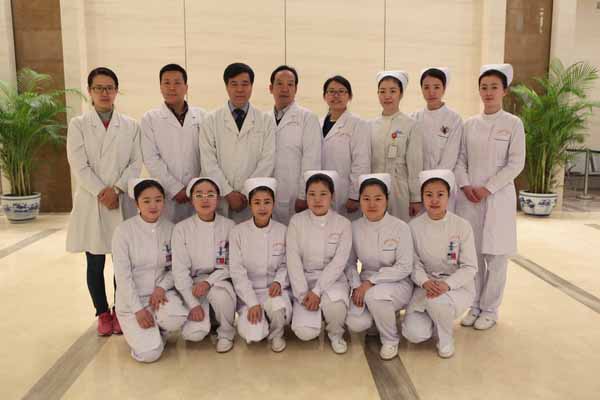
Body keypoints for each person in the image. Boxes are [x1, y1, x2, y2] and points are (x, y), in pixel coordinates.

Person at [66, 67, 142, 336]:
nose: (104, 93)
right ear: (90, 92)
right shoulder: (78, 125)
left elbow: (136, 162)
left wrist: (117, 189)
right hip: (93, 201)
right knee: (95, 262)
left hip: (121, 200)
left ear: (116, 91)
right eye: (98, 88)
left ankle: (121, 310)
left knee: (123, 261)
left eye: (109, 88)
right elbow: (79, 164)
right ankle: (102, 313)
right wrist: (103, 191)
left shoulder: (131, 125)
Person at [455, 64, 525, 330]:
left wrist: (488, 188)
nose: (488, 92)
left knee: (496, 258)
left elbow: (516, 163)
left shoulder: (513, 124)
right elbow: (460, 159)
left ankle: (490, 309)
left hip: (498, 198)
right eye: (484, 87)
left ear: (504, 91)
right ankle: (474, 305)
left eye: (494, 87)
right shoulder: (469, 124)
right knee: (472, 256)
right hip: (470, 199)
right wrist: (465, 186)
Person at [401, 170, 477, 358]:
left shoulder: (461, 226)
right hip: (425, 286)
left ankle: (446, 339)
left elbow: (469, 267)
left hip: (456, 287)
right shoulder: (413, 227)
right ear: (422, 197)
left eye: (440, 194)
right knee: (413, 334)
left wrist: (447, 285)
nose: (434, 200)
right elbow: (413, 263)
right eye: (429, 195)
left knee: (437, 301)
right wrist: (425, 282)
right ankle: (437, 320)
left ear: (448, 197)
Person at [112, 179, 189, 363]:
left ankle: (159, 330)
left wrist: (162, 287)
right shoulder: (123, 232)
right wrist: (138, 310)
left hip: (160, 295)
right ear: (136, 203)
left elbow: (177, 267)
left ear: (164, 201)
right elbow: (122, 277)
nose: (153, 205)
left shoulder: (171, 229)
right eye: (146, 201)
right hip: (132, 301)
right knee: (150, 354)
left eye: (158, 200)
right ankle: (147, 337)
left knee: (177, 318)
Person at [345, 173, 414, 360]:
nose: (372, 204)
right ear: (360, 200)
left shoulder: (400, 227)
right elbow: (350, 264)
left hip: (398, 282)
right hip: (364, 283)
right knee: (355, 323)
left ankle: (390, 340)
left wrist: (371, 282)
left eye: (378, 198)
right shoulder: (354, 227)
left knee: (376, 296)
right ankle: (380, 318)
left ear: (387, 200)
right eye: (366, 199)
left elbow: (404, 267)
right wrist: (356, 286)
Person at [200, 62, 276, 223]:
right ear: (226, 87)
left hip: (251, 198)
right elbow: (208, 160)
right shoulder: (211, 120)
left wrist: (246, 192)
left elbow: (267, 160)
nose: (240, 89)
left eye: (245, 84)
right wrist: (228, 192)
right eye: (234, 84)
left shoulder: (265, 121)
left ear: (252, 86)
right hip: (221, 197)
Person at [286, 171, 352, 354]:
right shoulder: (296, 221)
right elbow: (293, 260)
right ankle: (313, 316)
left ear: (332, 196)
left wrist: (317, 291)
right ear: (306, 196)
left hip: (333, 281)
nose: (317, 199)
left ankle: (336, 334)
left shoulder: (343, 224)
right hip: (304, 281)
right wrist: (303, 294)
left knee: (336, 307)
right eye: (312, 194)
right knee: (304, 332)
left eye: (323, 194)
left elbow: (339, 263)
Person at [171, 177, 237, 352]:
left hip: (220, 279)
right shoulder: (181, 229)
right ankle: (209, 319)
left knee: (221, 295)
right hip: (192, 284)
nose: (205, 199)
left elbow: (232, 264)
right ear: (191, 200)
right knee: (194, 334)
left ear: (218, 198)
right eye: (199, 195)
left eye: (210, 194)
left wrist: (209, 282)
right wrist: (193, 303)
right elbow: (179, 271)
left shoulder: (229, 226)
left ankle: (226, 333)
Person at [229, 177, 292, 352]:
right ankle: (262, 322)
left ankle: (277, 334)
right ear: (250, 205)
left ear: (273, 204)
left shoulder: (283, 231)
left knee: (277, 307)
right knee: (254, 335)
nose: (262, 207)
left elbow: (287, 263)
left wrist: (279, 281)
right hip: (249, 293)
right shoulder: (237, 233)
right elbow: (237, 272)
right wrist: (252, 302)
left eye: (267, 202)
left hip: (274, 290)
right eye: (257, 202)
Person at [141, 63, 206, 223]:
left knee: (197, 234)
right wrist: (175, 188)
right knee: (167, 234)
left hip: (198, 193)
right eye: (166, 83)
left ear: (186, 87)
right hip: (167, 194)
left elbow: (209, 154)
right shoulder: (150, 119)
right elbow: (151, 158)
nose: (171, 87)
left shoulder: (202, 116)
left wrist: (196, 186)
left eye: (177, 82)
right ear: (160, 87)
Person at [269, 65, 322, 225]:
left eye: (290, 84)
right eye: (279, 83)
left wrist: (304, 194)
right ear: (271, 88)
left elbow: (312, 158)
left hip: (295, 195)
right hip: (267, 194)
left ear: (296, 89)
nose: (285, 89)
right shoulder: (263, 119)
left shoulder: (308, 118)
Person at [371, 70, 423, 223]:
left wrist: (415, 197)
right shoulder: (370, 125)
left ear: (401, 94)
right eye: (382, 91)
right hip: (373, 187)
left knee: (400, 228)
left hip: (399, 187)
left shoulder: (411, 125)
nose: (387, 96)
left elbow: (415, 163)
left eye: (392, 91)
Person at [320, 75, 371, 220]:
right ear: (324, 96)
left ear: (350, 96)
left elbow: (361, 162)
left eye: (341, 91)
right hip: (321, 191)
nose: (336, 95)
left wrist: (355, 195)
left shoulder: (358, 124)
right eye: (331, 91)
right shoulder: (317, 123)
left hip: (346, 193)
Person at [412, 67, 463, 171]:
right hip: (418, 177)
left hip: (442, 178)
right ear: (421, 89)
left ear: (444, 89)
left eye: (436, 87)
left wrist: (436, 178)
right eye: (426, 87)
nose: (431, 92)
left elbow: (450, 157)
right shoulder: (414, 118)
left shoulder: (454, 119)